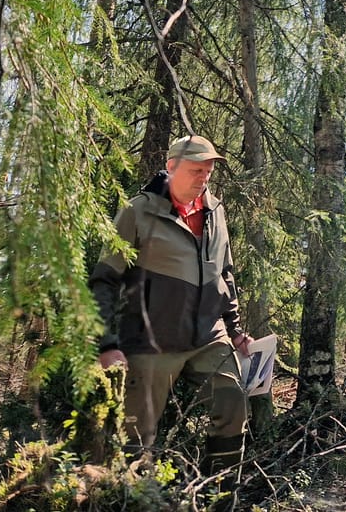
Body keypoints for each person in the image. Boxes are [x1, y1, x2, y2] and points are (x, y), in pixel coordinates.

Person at [90, 135, 252, 476]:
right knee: (134, 437)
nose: (203, 178)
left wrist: (235, 330)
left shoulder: (216, 211)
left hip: (209, 335)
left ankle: (220, 493)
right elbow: (104, 280)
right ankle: (128, 493)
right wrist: (107, 344)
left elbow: (226, 273)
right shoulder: (138, 211)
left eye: (208, 172)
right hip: (152, 340)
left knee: (232, 401)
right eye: (196, 170)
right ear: (171, 167)